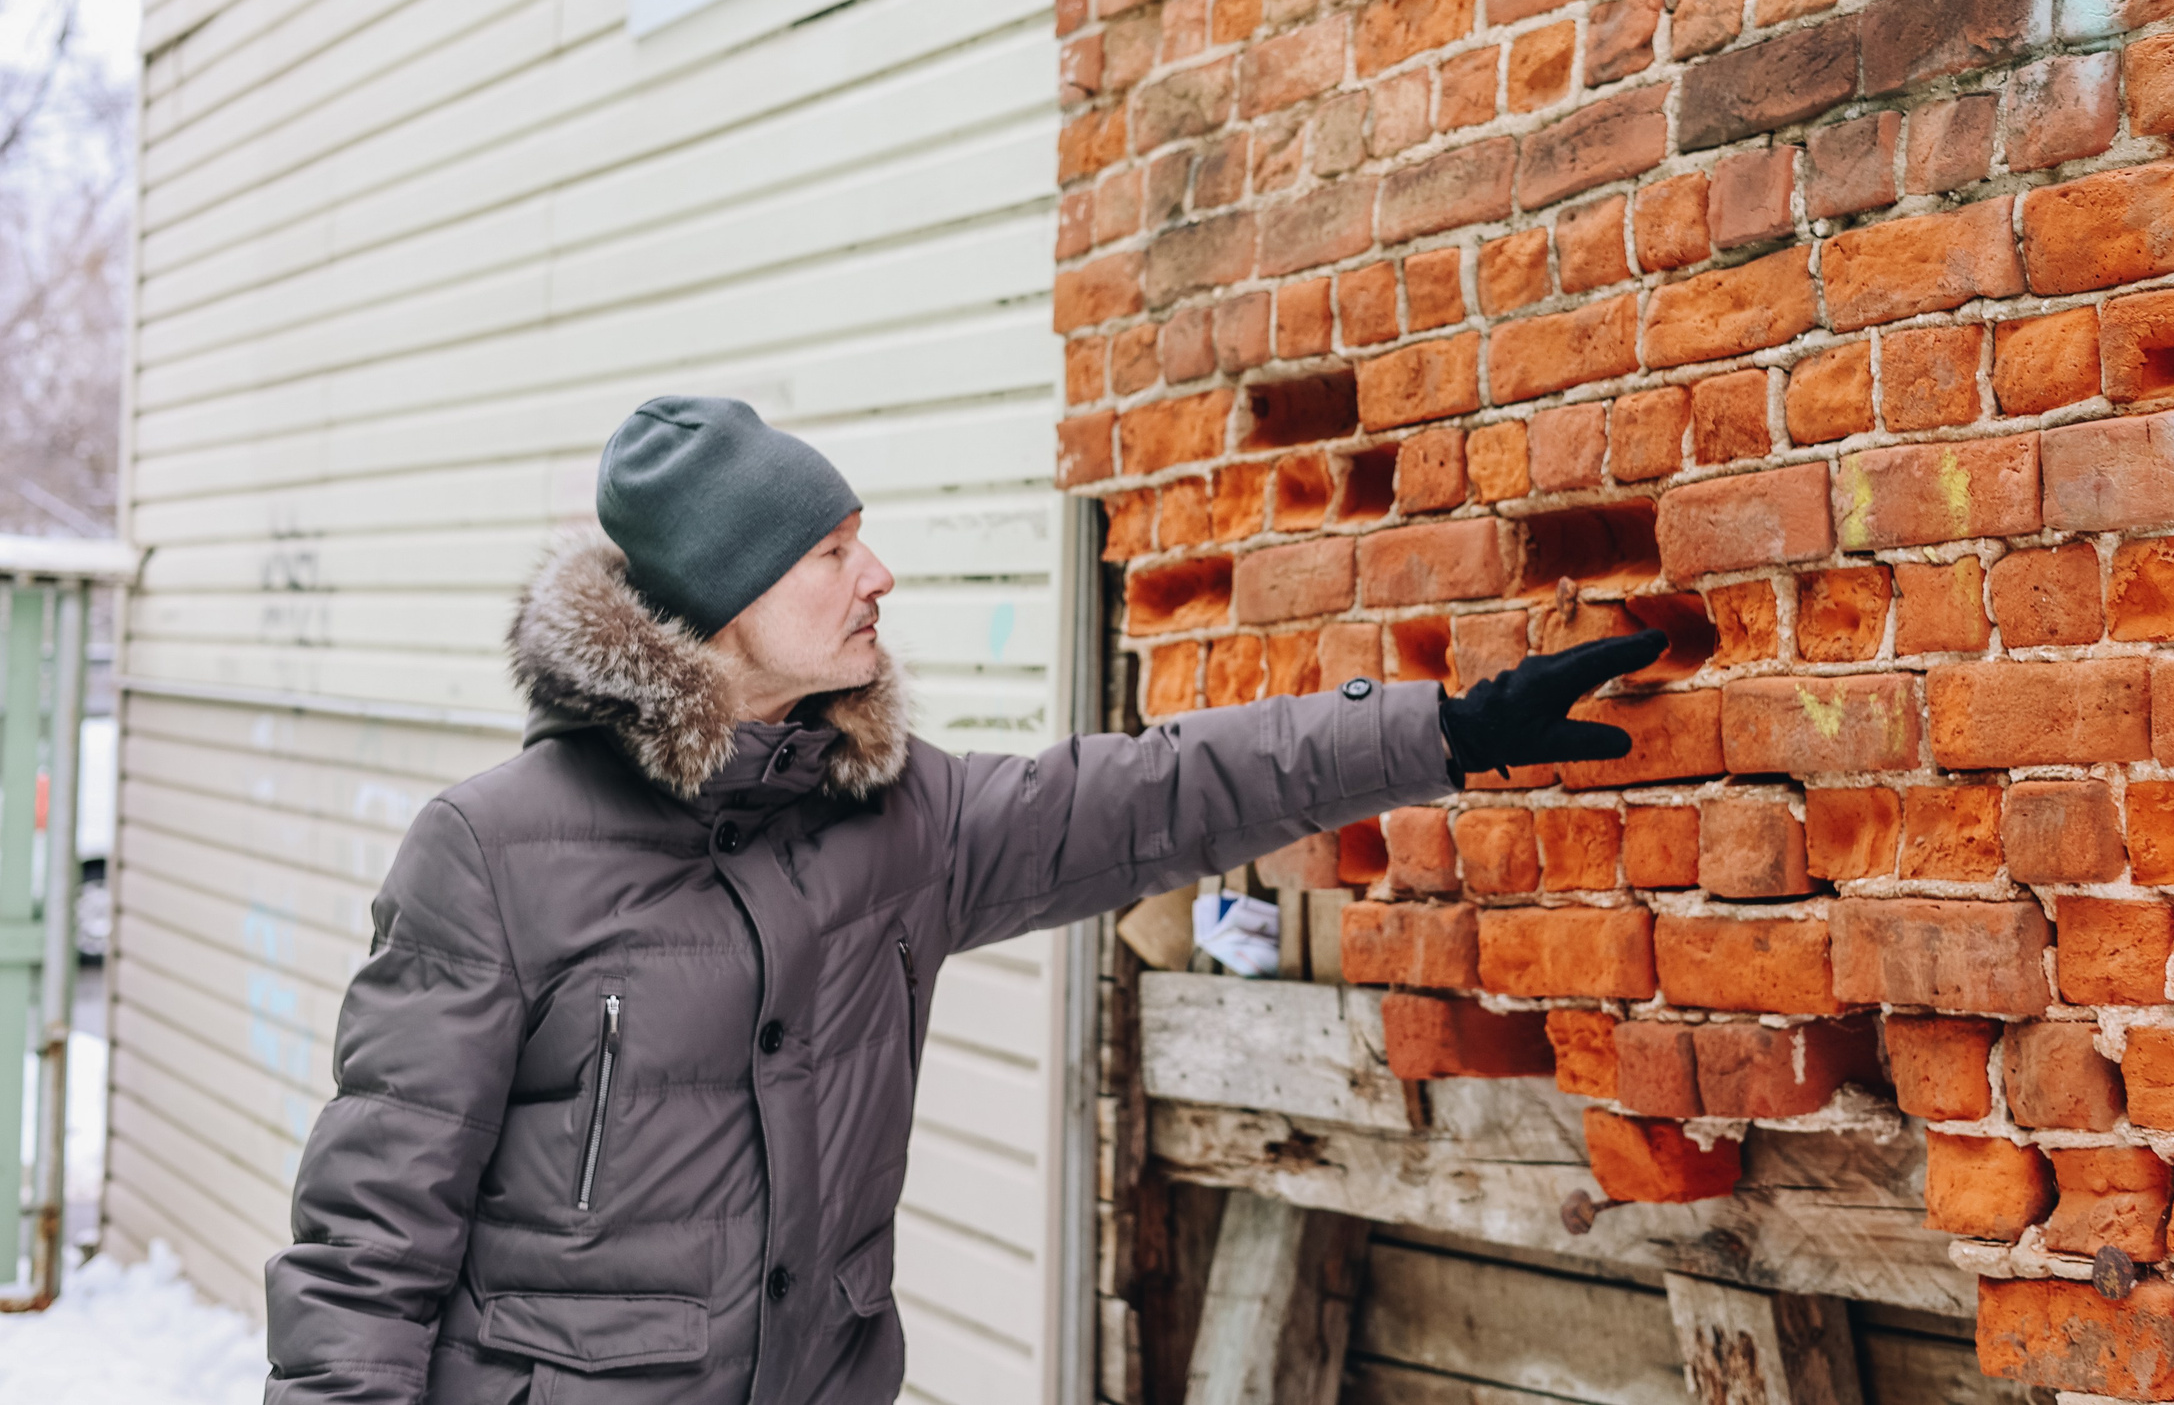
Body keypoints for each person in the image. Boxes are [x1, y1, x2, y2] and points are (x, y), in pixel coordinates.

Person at [262, 396, 1667, 1405]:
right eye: (829, 553)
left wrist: (1445, 732)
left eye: (860, 537)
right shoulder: (495, 854)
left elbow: (1154, 794)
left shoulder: (892, 819)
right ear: (719, 598)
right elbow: (370, 1236)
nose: (878, 575)